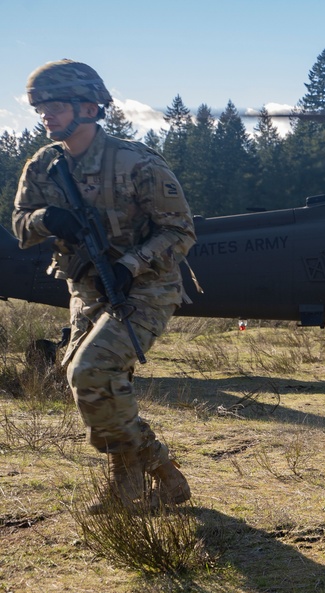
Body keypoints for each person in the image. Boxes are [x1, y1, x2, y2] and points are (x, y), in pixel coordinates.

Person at [12, 60, 197, 512]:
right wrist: (44, 219)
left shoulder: (138, 163)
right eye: (40, 108)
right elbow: (19, 225)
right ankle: (152, 479)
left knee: (90, 371)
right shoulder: (44, 165)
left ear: (89, 107)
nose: (46, 116)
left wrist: (131, 264)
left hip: (148, 287)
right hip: (86, 287)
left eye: (54, 106)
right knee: (97, 382)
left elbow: (180, 231)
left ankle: (145, 476)